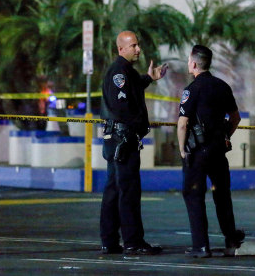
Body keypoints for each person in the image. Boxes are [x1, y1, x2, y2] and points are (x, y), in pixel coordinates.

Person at [99, 30, 167, 255]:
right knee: (128, 190)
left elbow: (134, 85)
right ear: (121, 48)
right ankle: (133, 241)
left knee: (114, 189)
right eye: (134, 46)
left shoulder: (125, 71)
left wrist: (150, 78)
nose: (138, 49)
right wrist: (136, 127)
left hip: (117, 139)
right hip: (123, 139)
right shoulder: (119, 72)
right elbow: (122, 107)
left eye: (138, 45)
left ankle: (109, 241)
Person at [177, 44, 246, 258]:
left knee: (194, 195)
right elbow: (236, 118)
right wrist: (226, 136)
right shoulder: (223, 86)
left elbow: (182, 123)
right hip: (218, 151)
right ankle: (231, 241)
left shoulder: (192, 89)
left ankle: (201, 246)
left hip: (197, 153)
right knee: (222, 196)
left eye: (189, 60)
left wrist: (181, 149)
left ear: (194, 63)